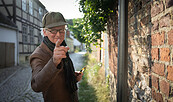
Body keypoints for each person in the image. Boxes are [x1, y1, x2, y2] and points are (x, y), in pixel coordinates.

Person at [30, 12, 83, 102]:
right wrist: (54, 62)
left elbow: (60, 76)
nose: (58, 34)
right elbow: (36, 85)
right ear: (44, 32)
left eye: (61, 30)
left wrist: (73, 77)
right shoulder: (38, 54)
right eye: (53, 30)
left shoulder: (62, 46)